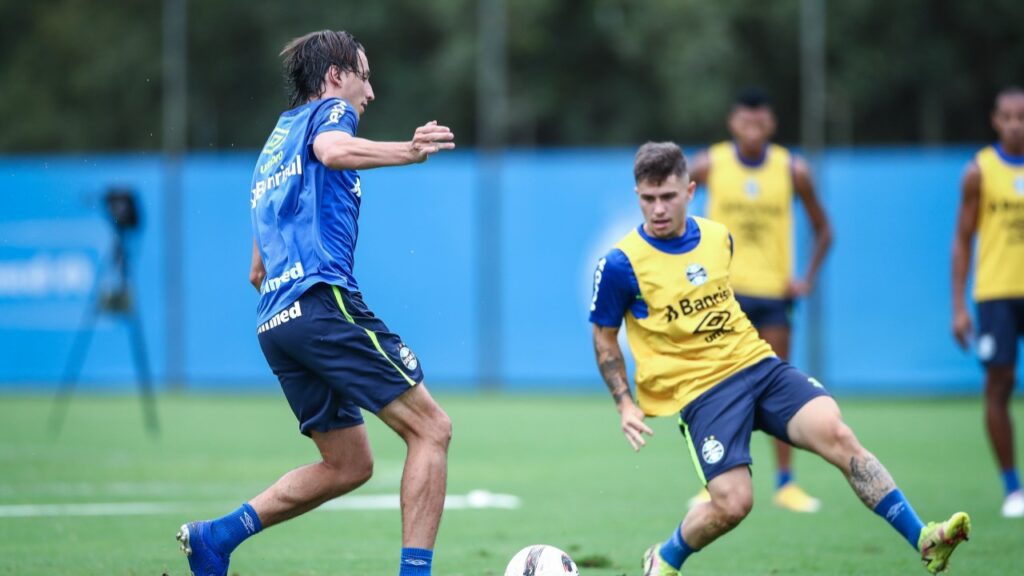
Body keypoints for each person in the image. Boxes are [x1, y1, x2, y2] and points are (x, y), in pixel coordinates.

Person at [589, 142, 970, 575]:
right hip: (703, 392)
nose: (658, 208)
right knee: (734, 504)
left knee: (839, 435)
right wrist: (623, 402)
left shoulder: (717, 237)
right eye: (647, 198)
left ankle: (924, 538)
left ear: (690, 191)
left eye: (668, 196)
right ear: (637, 195)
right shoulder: (621, 264)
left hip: (758, 365)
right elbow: (604, 338)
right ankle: (666, 557)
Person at [175, 30, 455, 576]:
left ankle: (216, 539)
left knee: (349, 464)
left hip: (275, 320)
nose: (369, 92)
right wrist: (409, 151)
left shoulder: (271, 149)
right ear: (334, 78)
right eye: (364, 76)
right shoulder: (329, 115)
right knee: (432, 430)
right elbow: (332, 151)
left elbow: (256, 270)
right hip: (320, 302)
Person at [687, 89, 833, 513]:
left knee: (775, 386)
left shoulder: (792, 169)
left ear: (771, 124)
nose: (753, 128)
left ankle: (785, 483)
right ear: (733, 122)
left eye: (760, 121)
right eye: (745, 121)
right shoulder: (709, 164)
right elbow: (673, 216)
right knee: (716, 389)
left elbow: (824, 229)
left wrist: (804, 279)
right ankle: (713, 478)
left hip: (772, 295)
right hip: (722, 295)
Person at [952, 86, 1024, 518]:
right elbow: (962, 240)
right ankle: (1013, 487)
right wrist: (958, 306)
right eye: (1008, 116)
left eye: (1023, 116)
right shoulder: (979, 170)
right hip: (996, 294)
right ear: (996, 121)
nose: (1016, 123)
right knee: (997, 386)